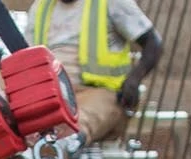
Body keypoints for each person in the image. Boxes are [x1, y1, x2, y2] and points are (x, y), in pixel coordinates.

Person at [27, 0, 163, 145]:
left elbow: (153, 43)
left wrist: (134, 79)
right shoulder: (41, 7)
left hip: (99, 92)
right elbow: (25, 54)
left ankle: (64, 144)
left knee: (82, 119)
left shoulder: (112, 3)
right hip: (51, 95)